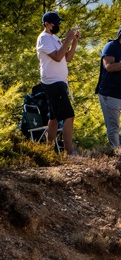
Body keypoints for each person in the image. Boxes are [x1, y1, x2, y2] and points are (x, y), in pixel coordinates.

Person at [36, 11, 80, 154]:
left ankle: (48, 152)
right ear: (47, 24)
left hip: (59, 82)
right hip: (52, 82)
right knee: (69, 116)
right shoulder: (43, 38)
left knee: (54, 118)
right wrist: (67, 39)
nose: (59, 25)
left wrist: (74, 42)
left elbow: (67, 58)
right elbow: (57, 57)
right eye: (57, 23)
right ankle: (69, 153)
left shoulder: (54, 38)